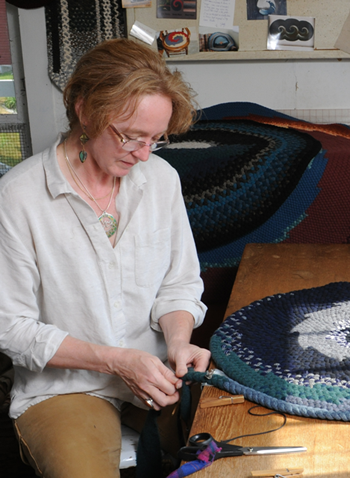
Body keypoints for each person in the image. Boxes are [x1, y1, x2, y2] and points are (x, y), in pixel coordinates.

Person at [0, 38, 211, 477]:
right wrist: (115, 361)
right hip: (66, 389)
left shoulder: (160, 179)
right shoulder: (19, 196)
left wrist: (177, 341)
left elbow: (179, 284)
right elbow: (10, 327)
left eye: (156, 139)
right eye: (130, 136)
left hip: (159, 376)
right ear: (85, 109)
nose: (143, 153)